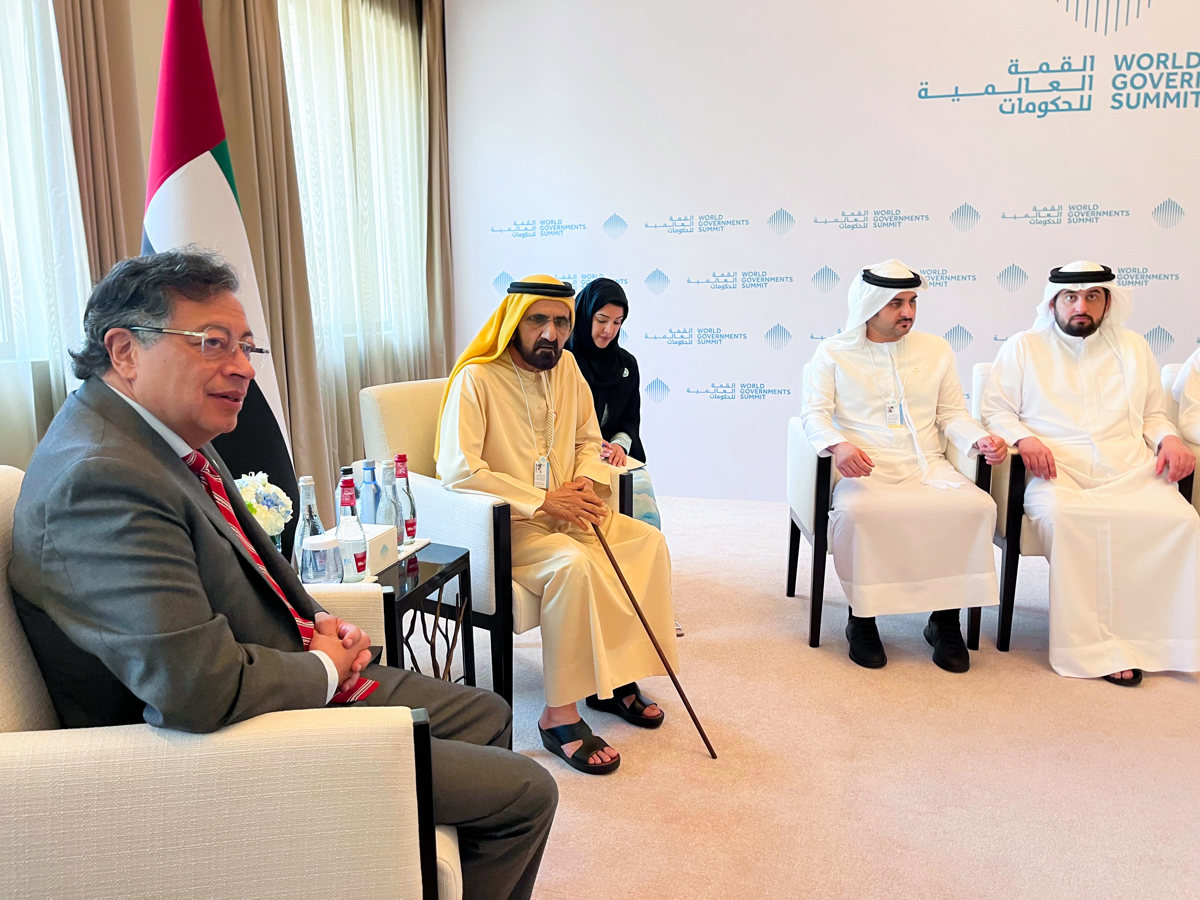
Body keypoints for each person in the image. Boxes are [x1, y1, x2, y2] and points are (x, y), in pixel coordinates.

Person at [7, 251, 556, 899]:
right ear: (124, 351)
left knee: (488, 712)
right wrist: (323, 666)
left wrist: (318, 623)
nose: (241, 367)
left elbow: (237, 566)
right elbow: (192, 691)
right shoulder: (99, 478)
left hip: (265, 675)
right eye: (213, 343)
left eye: (245, 345)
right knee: (527, 794)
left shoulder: (160, 434)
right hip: (212, 752)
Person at [436, 275, 680, 775]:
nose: (552, 333)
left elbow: (588, 439)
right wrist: (543, 501)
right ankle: (558, 715)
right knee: (572, 565)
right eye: (539, 320)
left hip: (570, 507)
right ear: (514, 322)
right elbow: (461, 471)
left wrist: (589, 482)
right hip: (511, 524)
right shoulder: (477, 379)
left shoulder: (567, 367)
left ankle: (612, 683)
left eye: (562, 321)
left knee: (646, 542)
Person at [981, 260, 1200, 686]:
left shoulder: (1134, 347)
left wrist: (1168, 439)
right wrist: (1025, 440)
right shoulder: (1024, 346)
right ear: (1054, 302)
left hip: (1129, 467)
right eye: (1071, 297)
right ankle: (1094, 649)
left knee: (1180, 520)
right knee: (1070, 521)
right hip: (1056, 471)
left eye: (1092, 296)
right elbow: (996, 410)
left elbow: (1153, 414)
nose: (1081, 306)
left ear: (1107, 302)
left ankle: (1158, 643)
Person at [802, 259, 1007, 672]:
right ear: (870, 305)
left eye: (912, 302)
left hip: (925, 464)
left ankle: (944, 619)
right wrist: (839, 446)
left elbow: (952, 413)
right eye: (896, 304)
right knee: (860, 513)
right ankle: (862, 617)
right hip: (866, 468)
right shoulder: (834, 353)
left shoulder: (935, 350)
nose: (908, 313)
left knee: (976, 506)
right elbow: (815, 415)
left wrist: (978, 439)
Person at [567, 277, 683, 636]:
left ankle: (653, 602)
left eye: (617, 323)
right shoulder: (564, 361)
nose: (608, 330)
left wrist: (618, 445)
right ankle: (613, 595)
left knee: (640, 488)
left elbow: (631, 418)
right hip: (573, 456)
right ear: (585, 313)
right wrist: (589, 447)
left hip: (613, 453)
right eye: (601, 320)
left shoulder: (626, 364)